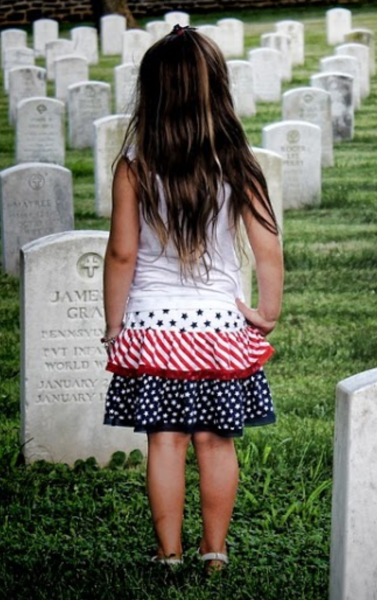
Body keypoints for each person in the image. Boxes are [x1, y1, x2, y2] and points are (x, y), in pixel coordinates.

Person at [100, 24, 283, 574]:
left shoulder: (135, 166)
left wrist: (115, 325)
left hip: (155, 329)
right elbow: (268, 249)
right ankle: (215, 551)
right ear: (217, 90)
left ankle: (168, 553)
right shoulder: (238, 163)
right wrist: (267, 312)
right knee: (216, 441)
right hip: (221, 330)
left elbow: (122, 255)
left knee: (165, 441)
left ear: (152, 93)